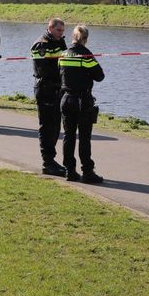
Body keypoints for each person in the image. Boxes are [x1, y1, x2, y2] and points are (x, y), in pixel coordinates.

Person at [58, 25, 105, 183]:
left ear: (73, 36)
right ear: (85, 38)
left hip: (65, 99)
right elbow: (100, 76)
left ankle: (69, 171)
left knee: (68, 136)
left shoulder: (63, 54)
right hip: (82, 100)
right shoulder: (86, 55)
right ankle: (87, 172)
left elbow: (61, 74)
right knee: (84, 137)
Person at [31, 18, 68, 176]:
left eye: (63, 31)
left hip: (57, 89)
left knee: (55, 127)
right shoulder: (42, 44)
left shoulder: (59, 42)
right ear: (50, 28)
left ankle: (51, 160)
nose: (61, 34)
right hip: (46, 88)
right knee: (47, 127)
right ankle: (47, 162)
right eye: (59, 30)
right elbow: (44, 70)